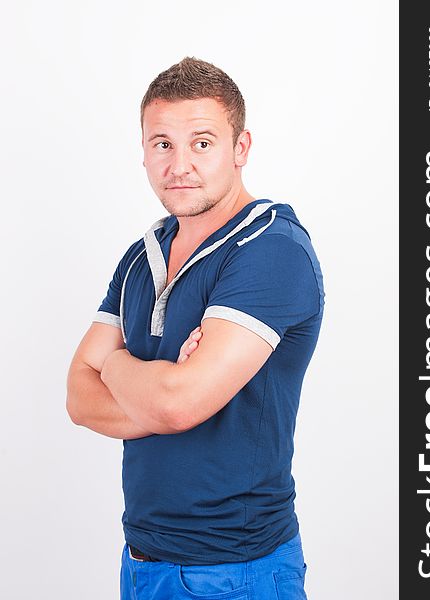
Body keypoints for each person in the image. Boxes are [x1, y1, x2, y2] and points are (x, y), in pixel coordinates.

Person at [66, 56, 324, 599]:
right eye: (163, 143)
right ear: (143, 152)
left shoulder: (271, 250)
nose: (179, 164)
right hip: (141, 561)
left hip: (235, 570)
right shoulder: (142, 257)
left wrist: (113, 365)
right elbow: (79, 399)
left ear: (241, 148)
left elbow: (178, 404)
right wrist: (155, 389)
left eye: (201, 143)